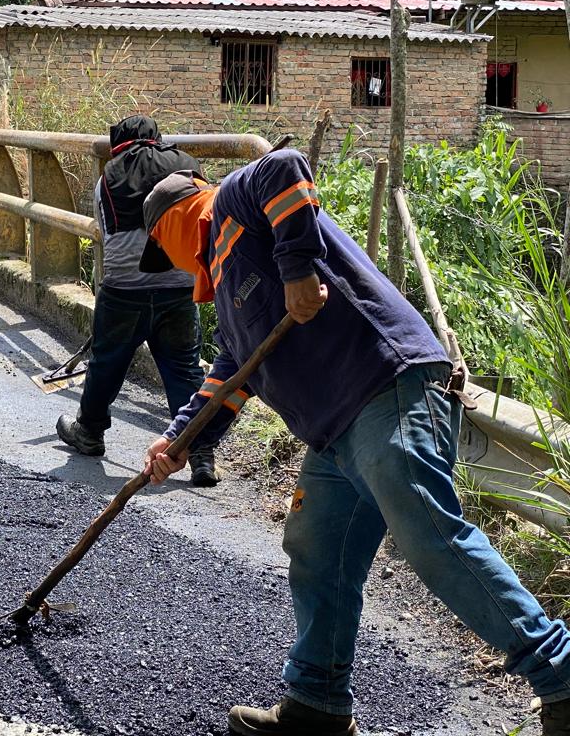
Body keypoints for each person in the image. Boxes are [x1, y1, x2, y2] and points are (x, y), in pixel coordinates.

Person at [136, 149, 570, 736]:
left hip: (384, 389)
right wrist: (178, 439)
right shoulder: (231, 299)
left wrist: (296, 269)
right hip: (333, 435)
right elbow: (230, 378)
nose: (179, 267)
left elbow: (285, 166)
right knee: (318, 554)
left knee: (430, 539)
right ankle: (316, 703)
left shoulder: (234, 201)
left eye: (165, 252)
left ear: (171, 226)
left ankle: (560, 673)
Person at [54, 116, 216, 485]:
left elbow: (106, 231)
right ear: (158, 140)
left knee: (107, 363)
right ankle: (201, 453)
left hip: (124, 289)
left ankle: (90, 433)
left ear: (117, 145)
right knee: (184, 368)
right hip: (179, 285)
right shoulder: (188, 164)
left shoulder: (107, 178)